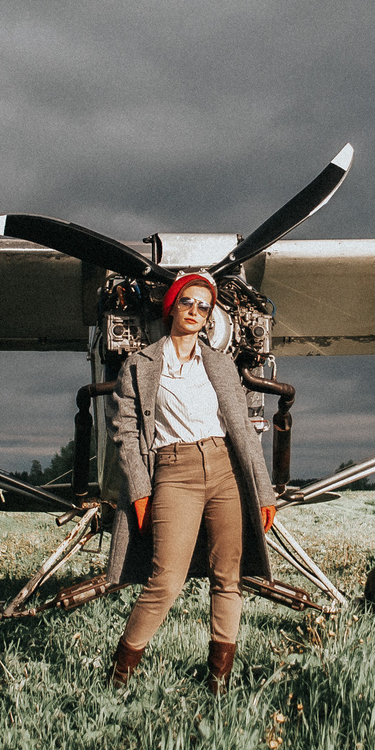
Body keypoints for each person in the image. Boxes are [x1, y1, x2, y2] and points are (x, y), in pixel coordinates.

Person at [105, 272, 278, 692]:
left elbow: (241, 429)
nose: (197, 313)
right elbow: (125, 432)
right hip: (173, 470)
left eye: (205, 307)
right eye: (189, 304)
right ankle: (119, 674)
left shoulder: (220, 364)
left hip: (224, 469)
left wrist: (263, 490)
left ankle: (218, 681)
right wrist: (141, 490)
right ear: (172, 309)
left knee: (228, 577)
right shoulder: (140, 364)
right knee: (165, 580)